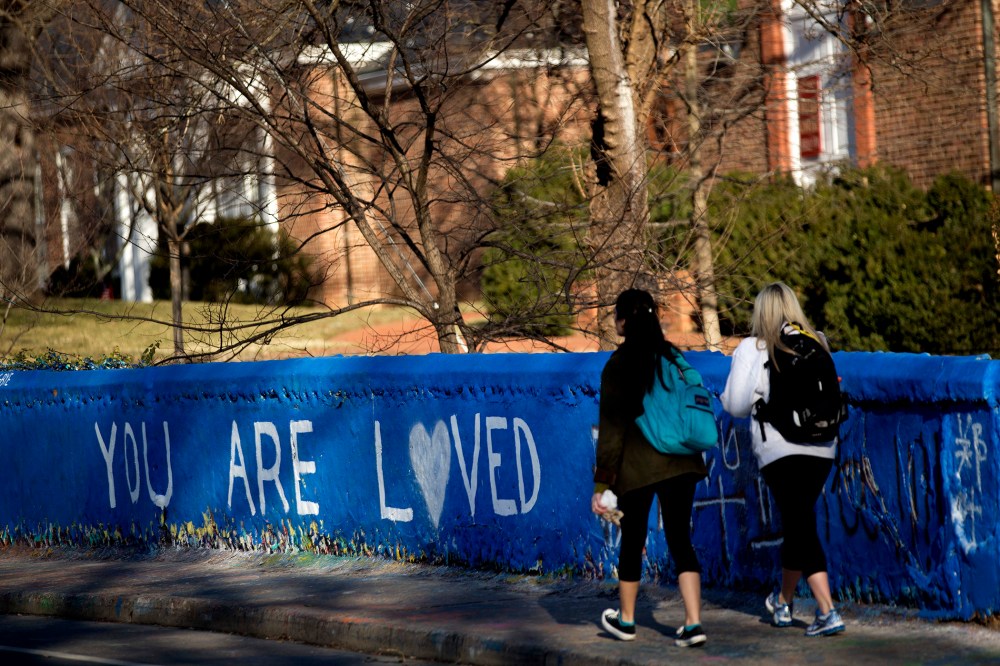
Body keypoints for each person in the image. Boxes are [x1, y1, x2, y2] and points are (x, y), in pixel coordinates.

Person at [720, 281, 846, 637]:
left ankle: (827, 610)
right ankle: (784, 603)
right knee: (799, 519)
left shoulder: (753, 348)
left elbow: (737, 406)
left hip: (780, 448)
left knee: (799, 522)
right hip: (823, 446)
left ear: (762, 312)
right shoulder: (817, 341)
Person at [591, 288, 709, 647]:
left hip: (639, 463)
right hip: (684, 461)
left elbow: (611, 431)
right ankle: (693, 623)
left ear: (623, 321)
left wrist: (602, 486)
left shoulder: (619, 364)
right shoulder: (674, 358)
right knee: (680, 540)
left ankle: (626, 621)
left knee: (633, 539)